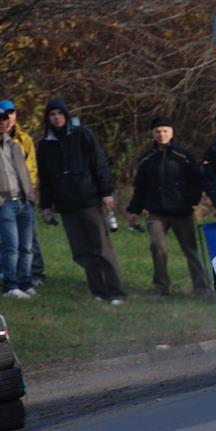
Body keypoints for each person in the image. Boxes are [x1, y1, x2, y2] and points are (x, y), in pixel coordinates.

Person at [37, 98, 126, 304]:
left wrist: (106, 191)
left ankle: (116, 291)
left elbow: (99, 162)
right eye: (52, 114)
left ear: (66, 115)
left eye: (60, 113)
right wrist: (46, 205)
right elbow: (46, 178)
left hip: (90, 201)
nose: (57, 117)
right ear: (48, 118)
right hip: (66, 206)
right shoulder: (45, 145)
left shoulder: (82, 135)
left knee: (102, 248)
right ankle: (98, 291)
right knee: (81, 251)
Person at [127, 117, 209, 298]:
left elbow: (197, 180)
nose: (161, 134)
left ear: (171, 133)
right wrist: (134, 210)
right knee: (157, 247)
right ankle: (161, 287)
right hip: (156, 212)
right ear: (152, 134)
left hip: (182, 211)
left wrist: (192, 201)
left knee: (190, 250)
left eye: (165, 130)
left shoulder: (184, 155)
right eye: (157, 131)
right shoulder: (146, 158)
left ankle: (201, 287)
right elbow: (140, 186)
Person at [0, 99, 46, 287]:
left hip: (24, 199)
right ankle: (10, 281)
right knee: (10, 244)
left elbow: (30, 169)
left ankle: (30, 278)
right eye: (3, 116)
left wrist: (30, 194)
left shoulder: (21, 140)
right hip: (5, 199)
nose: (7, 119)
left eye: (10, 114)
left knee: (27, 244)